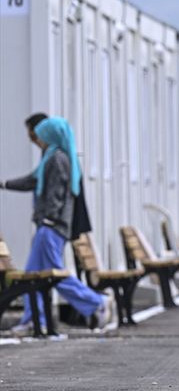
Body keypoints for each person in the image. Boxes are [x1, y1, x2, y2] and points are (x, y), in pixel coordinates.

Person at [0, 113, 114, 334]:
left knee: (52, 276)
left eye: (40, 136)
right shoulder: (53, 157)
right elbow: (31, 181)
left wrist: (48, 219)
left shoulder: (56, 159)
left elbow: (56, 193)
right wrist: (4, 184)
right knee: (33, 275)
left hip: (51, 227)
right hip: (51, 226)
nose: (38, 141)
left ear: (50, 136)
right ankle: (34, 319)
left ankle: (96, 303)